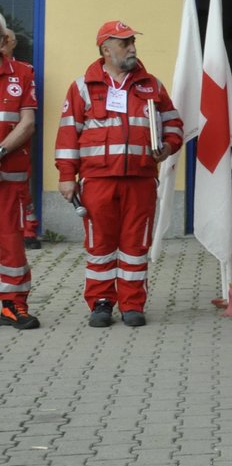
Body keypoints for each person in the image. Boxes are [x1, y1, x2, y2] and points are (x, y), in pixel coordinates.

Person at [55, 21, 182, 328]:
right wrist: (66, 175)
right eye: (124, 43)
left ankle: (132, 303)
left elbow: (175, 125)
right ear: (105, 49)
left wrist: (166, 147)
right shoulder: (83, 86)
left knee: (136, 246)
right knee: (100, 246)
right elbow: (69, 134)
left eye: (132, 42)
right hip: (98, 181)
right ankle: (101, 302)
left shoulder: (152, 85)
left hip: (140, 180)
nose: (132, 48)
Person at [0, 15, 39, 329]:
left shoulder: (23, 73)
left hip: (9, 179)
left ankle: (12, 305)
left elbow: (27, 123)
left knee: (11, 243)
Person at [0, 26, 42, 251]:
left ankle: (29, 229)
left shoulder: (23, 72)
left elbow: (28, 122)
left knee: (11, 250)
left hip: (12, 163)